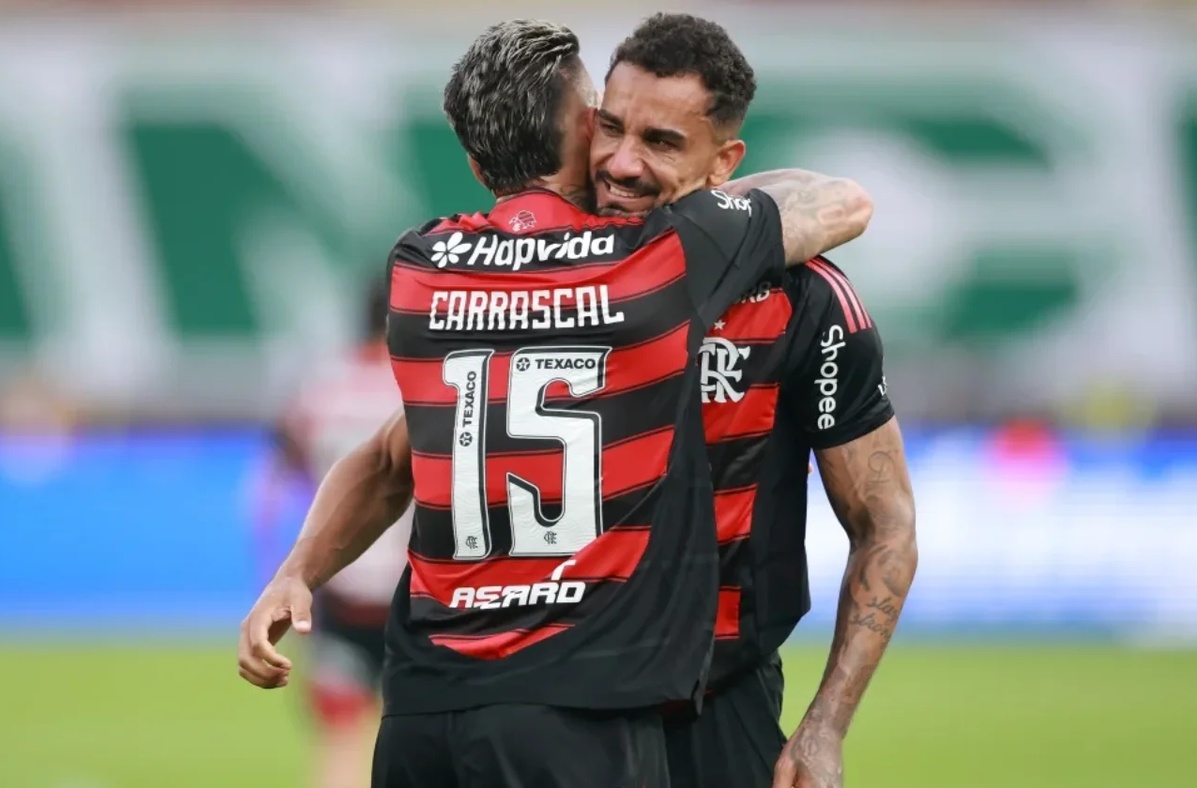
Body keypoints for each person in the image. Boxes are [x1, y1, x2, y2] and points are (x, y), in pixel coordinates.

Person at [237, 17, 873, 788]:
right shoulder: (655, 261)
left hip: (422, 708)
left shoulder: (422, 267)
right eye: (604, 120)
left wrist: (296, 572)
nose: (621, 156)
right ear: (581, 130)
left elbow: (385, 457)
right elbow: (842, 204)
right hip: (576, 700)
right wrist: (710, 202)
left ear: (475, 163)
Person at [590, 16, 919, 788]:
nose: (622, 163)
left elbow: (886, 524)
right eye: (610, 127)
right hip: (551, 708)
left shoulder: (806, 300)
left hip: (719, 705)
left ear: (723, 162)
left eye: (662, 142)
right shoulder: (532, 270)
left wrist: (825, 726)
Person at [254, 281, 410, 788]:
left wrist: (280, 569)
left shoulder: (324, 384)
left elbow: (277, 478)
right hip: (416, 592)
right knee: (423, 743)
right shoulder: (425, 381)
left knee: (340, 739)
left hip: (339, 587)